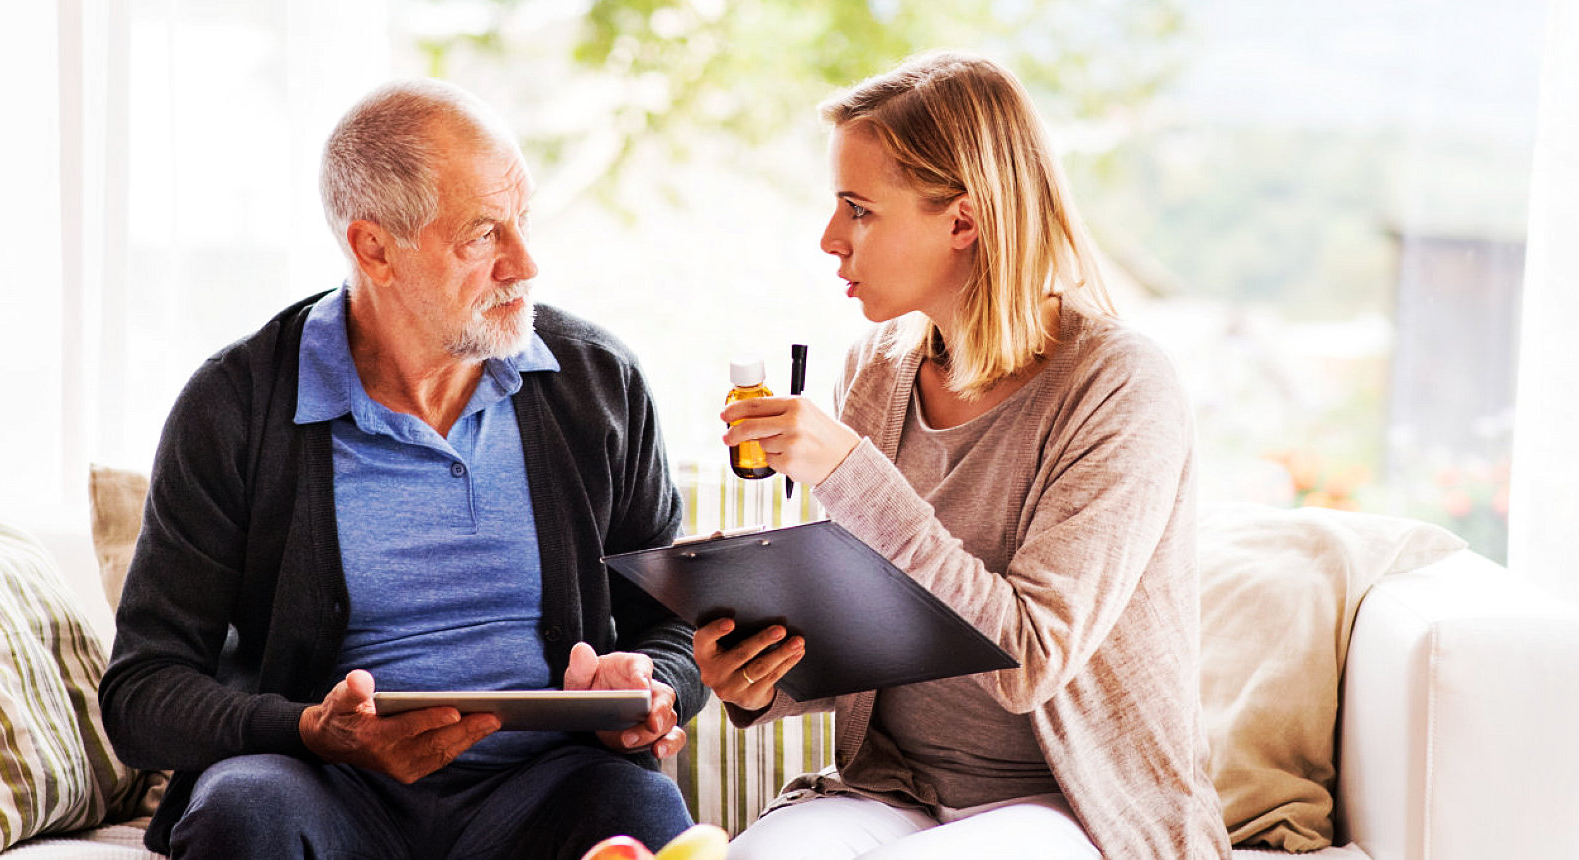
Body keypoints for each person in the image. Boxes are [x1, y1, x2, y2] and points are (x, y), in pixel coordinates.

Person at [99, 79, 702, 860]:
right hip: (327, 788)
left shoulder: (597, 382)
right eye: (483, 234)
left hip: (548, 784)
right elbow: (142, 693)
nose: (526, 262)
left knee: (643, 815)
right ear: (373, 248)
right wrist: (311, 729)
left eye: (522, 221)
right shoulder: (236, 403)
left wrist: (650, 686)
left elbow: (675, 625)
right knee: (240, 813)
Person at [702, 52, 1231, 859]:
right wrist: (765, 679)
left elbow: (1029, 660)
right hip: (894, 785)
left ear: (963, 221)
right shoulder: (876, 369)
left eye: (859, 210)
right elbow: (880, 622)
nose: (829, 239)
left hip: (1073, 804)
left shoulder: (1119, 386)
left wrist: (852, 476)